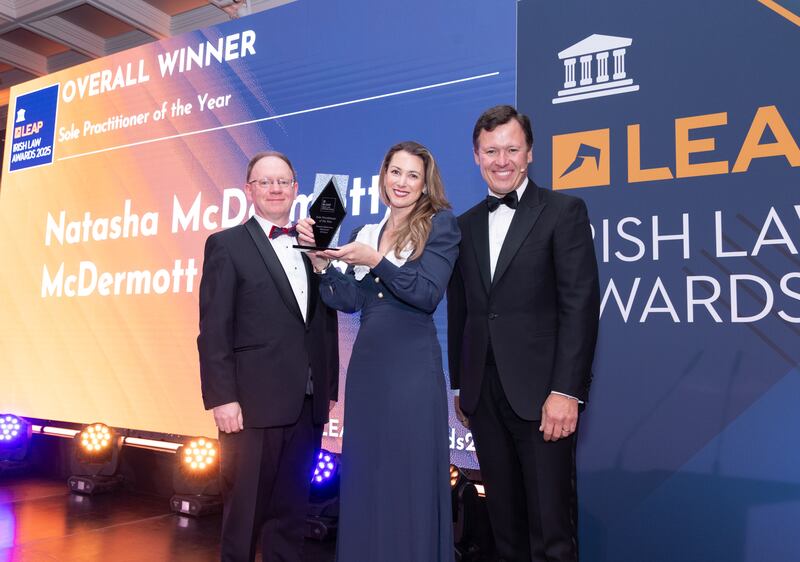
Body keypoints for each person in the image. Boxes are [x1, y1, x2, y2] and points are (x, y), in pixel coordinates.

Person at [447, 105, 600, 562]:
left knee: (551, 532)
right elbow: (462, 312)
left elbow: (580, 308)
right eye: (491, 151)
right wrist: (461, 387)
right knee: (505, 531)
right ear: (476, 156)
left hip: (544, 398)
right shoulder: (464, 226)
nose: (502, 160)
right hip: (483, 398)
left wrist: (566, 391)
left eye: (512, 149)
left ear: (530, 153)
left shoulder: (563, 212)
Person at [297, 141, 459, 562]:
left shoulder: (440, 225)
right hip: (368, 367)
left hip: (412, 367)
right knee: (368, 472)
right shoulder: (366, 232)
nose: (402, 182)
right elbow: (349, 300)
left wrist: (377, 261)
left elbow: (426, 294)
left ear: (425, 184)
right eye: (395, 172)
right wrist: (321, 264)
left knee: (408, 472)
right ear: (383, 176)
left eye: (412, 175)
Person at [197, 151, 339, 562]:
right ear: (249, 190)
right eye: (265, 182)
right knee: (243, 518)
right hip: (251, 408)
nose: (275, 189)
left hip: (306, 405)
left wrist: (327, 388)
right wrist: (222, 398)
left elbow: (322, 323)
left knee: (291, 518)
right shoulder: (226, 245)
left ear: (296, 189)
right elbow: (214, 329)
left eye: (283, 181)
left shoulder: (314, 246)